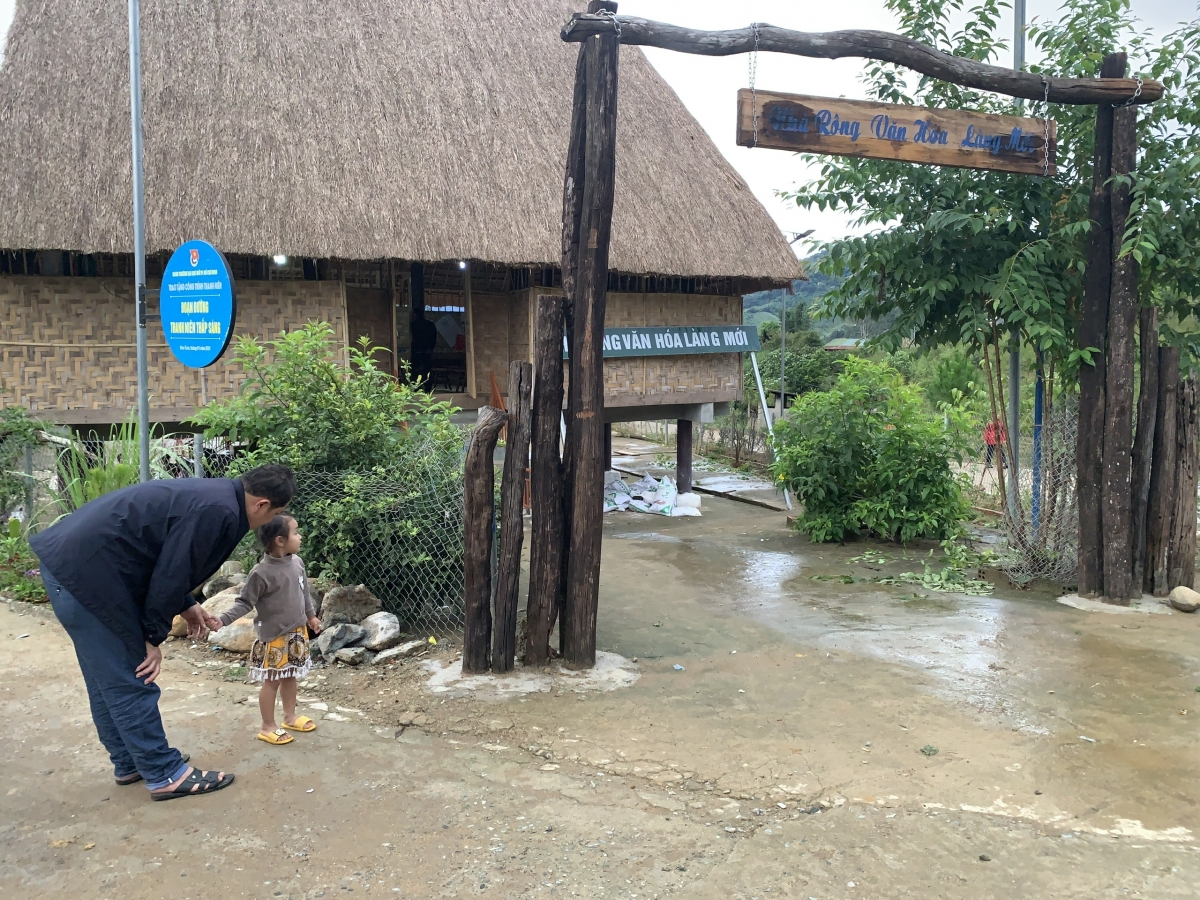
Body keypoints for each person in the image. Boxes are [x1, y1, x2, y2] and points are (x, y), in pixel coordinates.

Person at [29, 464, 295, 800]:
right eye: (277, 513)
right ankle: (163, 772)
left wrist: (186, 603)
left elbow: (160, 553)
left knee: (107, 678)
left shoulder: (214, 495)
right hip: (87, 577)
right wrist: (152, 638)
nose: (270, 522)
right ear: (261, 505)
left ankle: (131, 762)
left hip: (73, 568)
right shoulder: (220, 512)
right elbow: (171, 572)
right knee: (132, 676)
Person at [215, 513, 321, 746]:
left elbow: (304, 593)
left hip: (296, 633)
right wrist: (222, 620)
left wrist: (311, 616)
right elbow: (244, 603)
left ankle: (290, 717)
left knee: (290, 674)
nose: (300, 536)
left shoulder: (297, 563)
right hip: (274, 637)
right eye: (295, 532)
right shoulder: (261, 573)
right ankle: (267, 726)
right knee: (272, 680)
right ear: (280, 541)